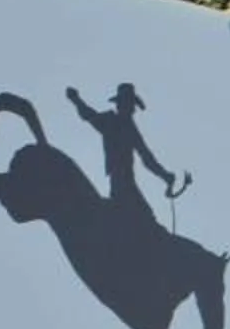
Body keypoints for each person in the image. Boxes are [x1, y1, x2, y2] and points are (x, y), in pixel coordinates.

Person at [65, 82, 188, 226]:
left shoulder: (129, 128)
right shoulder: (111, 121)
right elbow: (88, 114)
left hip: (125, 179)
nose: (132, 109)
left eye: (132, 105)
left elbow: (147, 158)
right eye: (129, 104)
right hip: (121, 179)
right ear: (121, 105)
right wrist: (76, 100)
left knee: (145, 218)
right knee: (144, 219)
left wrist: (164, 175)